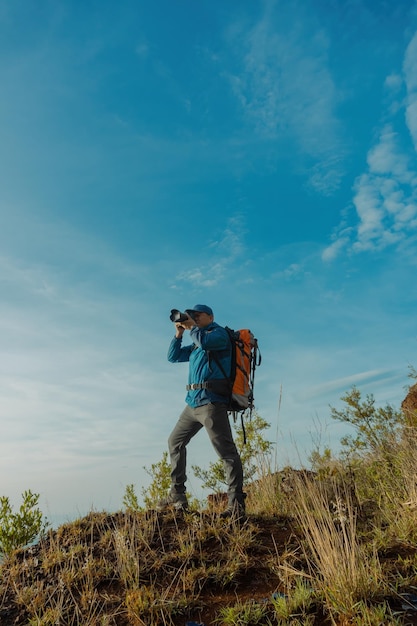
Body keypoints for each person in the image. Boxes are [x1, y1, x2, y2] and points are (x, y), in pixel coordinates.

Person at [157, 304, 246, 519]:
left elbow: (205, 342)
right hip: (192, 404)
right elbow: (173, 356)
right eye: (192, 315)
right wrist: (179, 333)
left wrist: (191, 328)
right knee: (174, 442)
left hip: (211, 403)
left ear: (211, 316)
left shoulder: (219, 335)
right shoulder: (197, 342)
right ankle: (177, 495)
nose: (194, 318)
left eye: (198, 315)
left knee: (226, 452)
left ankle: (236, 505)